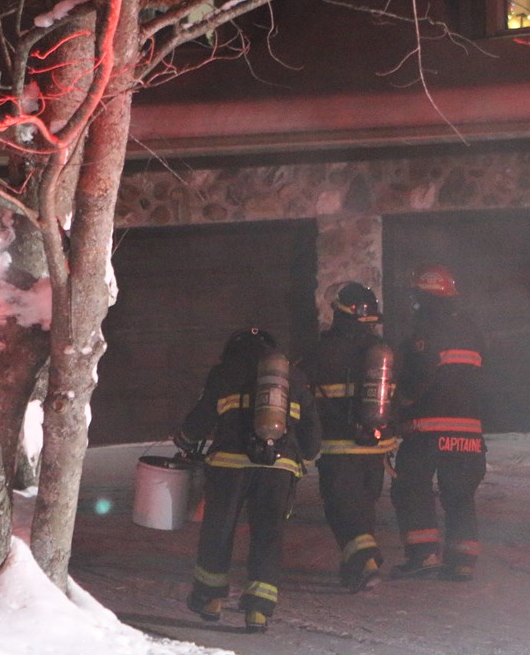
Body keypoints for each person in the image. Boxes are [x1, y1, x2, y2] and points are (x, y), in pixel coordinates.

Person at [174, 327, 321, 632]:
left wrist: (185, 439)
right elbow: (312, 434)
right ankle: (259, 610)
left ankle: (210, 598)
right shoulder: (294, 377)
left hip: (230, 467)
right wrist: (301, 457)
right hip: (279, 471)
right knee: (268, 535)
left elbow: (201, 418)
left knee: (219, 529)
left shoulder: (224, 372)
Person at [389, 263, 487, 581]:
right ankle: (462, 560)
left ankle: (424, 555)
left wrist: (402, 403)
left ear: (422, 298)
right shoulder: (472, 330)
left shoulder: (422, 331)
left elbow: (420, 373)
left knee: (411, 487)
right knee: (460, 493)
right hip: (469, 431)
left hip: (428, 428)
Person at [302, 282, 398, 593]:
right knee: (362, 509)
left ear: (340, 315)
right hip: (377, 448)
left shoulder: (321, 352)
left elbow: (298, 390)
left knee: (341, 508)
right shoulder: (381, 353)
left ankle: (366, 561)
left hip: (340, 448)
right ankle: (354, 567)